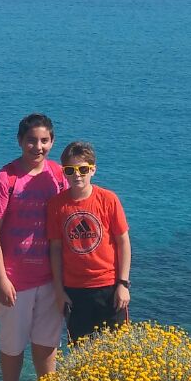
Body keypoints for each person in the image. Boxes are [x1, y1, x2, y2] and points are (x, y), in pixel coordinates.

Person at [0, 113, 68, 381]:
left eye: (44, 141)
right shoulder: (5, 178)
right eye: (31, 140)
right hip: (14, 279)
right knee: (12, 345)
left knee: (47, 343)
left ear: (52, 142)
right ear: (20, 141)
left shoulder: (59, 175)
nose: (38, 147)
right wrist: (1, 279)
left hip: (51, 278)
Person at [46, 141, 132, 343]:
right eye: (70, 170)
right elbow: (55, 249)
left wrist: (123, 284)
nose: (77, 175)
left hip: (109, 287)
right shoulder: (56, 205)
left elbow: (123, 242)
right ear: (64, 172)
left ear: (93, 170)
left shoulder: (108, 199)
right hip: (75, 290)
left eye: (83, 169)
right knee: (80, 350)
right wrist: (59, 291)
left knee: (117, 348)